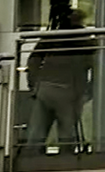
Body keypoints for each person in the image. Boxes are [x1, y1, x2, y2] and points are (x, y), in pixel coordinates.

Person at [25, 8, 94, 154]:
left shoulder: (54, 36)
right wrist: (89, 89)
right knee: (67, 132)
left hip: (45, 87)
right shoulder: (86, 40)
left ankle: (32, 159)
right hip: (70, 89)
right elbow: (95, 64)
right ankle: (65, 160)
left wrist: (34, 83)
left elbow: (34, 59)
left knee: (37, 131)